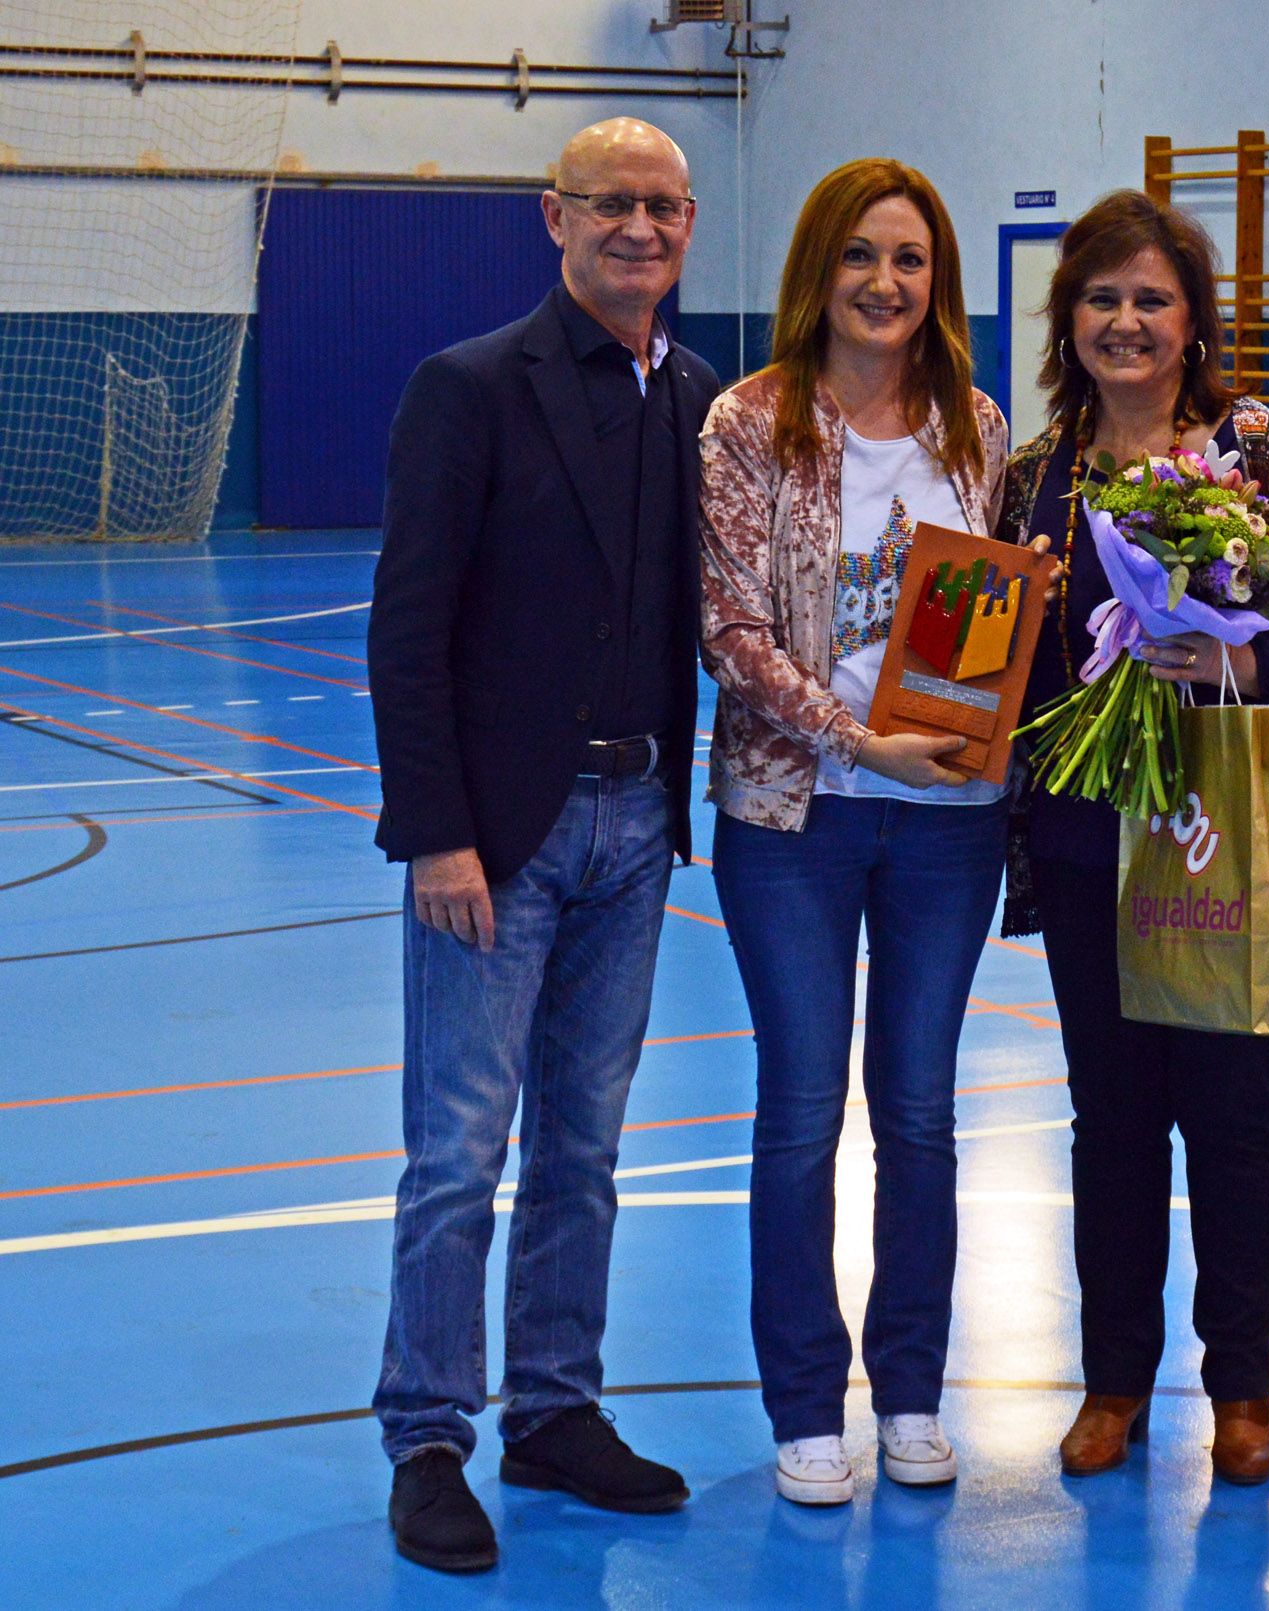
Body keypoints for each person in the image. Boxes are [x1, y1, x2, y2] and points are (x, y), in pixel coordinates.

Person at [366, 118, 718, 1571]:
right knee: (459, 1150)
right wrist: (436, 835)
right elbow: (409, 626)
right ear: (553, 218)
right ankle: (430, 1432)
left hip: (639, 825)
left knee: (584, 1143)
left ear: (689, 227)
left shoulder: (702, 397)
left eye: (663, 206)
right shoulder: (465, 390)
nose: (638, 227)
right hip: (498, 838)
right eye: (610, 204)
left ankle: (556, 1410)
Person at [997, 190, 1269, 1486]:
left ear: (1191, 320)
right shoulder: (1030, 481)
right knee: (1106, 1122)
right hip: (1085, 847)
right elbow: (989, 674)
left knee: (1234, 1124)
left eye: (1150, 299)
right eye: (1101, 299)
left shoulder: (1258, 453)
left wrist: (1233, 665)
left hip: (1231, 840)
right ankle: (1113, 1383)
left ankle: (1241, 1391)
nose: (1125, 321)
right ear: (1069, 321)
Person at [698, 159, 1018, 1507]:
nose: (885, 285)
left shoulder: (977, 425)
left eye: (911, 260)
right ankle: (800, 1405)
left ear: (936, 281)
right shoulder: (747, 421)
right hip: (793, 817)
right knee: (798, 1110)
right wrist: (850, 735)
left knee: (923, 1115)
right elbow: (730, 628)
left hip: (950, 823)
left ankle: (910, 1392)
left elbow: (990, 615)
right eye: (860, 258)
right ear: (816, 273)